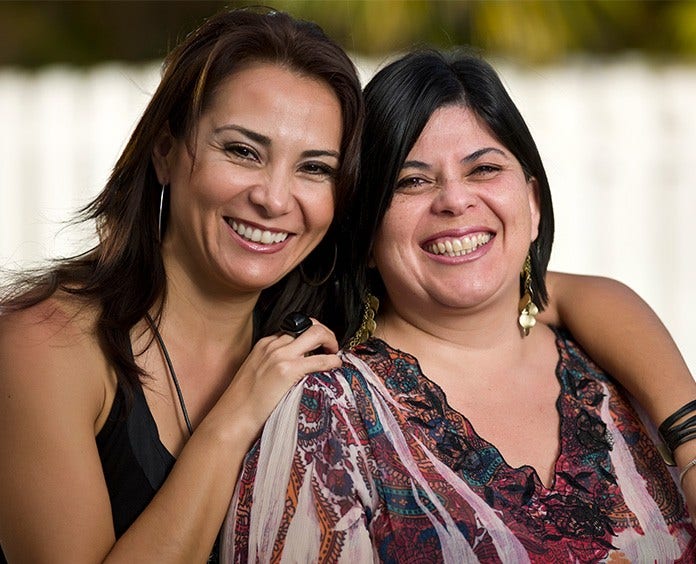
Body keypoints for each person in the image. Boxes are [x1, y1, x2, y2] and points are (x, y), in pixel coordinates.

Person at [222, 49, 696, 562]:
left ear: (532, 205)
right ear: (365, 237)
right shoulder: (328, 415)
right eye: (412, 181)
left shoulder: (617, 371)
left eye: (484, 169)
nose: (454, 200)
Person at [0, 8, 362, 563]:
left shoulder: (333, 340)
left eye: (314, 168)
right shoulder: (46, 346)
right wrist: (234, 418)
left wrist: (542, 292)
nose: (273, 197)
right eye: (243, 151)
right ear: (165, 152)